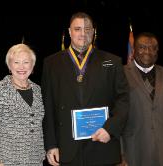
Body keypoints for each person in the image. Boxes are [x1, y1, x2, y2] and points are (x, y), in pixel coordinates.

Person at [42, 12, 129, 166]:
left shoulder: (112, 61)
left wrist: (110, 129)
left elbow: (123, 100)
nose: (83, 34)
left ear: (93, 32)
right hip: (66, 148)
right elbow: (48, 107)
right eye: (78, 29)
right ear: (69, 32)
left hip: (102, 144)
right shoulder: (51, 63)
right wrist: (51, 145)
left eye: (87, 29)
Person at [122, 32, 163, 166]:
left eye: (152, 48)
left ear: (157, 51)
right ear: (134, 50)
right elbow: (114, 116)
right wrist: (119, 154)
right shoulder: (120, 74)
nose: (147, 51)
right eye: (142, 47)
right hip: (133, 152)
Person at [0, 43, 45, 166]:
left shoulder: (38, 90)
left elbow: (39, 125)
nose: (21, 67)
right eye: (16, 62)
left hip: (35, 159)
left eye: (26, 62)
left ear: (32, 65)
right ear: (9, 66)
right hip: (8, 160)